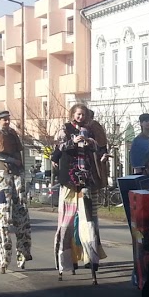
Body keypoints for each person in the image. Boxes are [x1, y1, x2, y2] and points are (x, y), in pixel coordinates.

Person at [51, 103, 109, 282]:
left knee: (89, 222)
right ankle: (64, 263)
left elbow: (100, 149)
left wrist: (95, 148)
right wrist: (72, 142)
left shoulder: (91, 131)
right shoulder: (65, 129)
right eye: (78, 114)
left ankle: (92, 259)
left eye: (83, 114)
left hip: (86, 181)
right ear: (72, 115)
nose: (80, 117)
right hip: (69, 181)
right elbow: (58, 149)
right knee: (65, 223)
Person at [0, 109, 32, 273]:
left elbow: (19, 152)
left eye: (8, 119)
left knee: (22, 212)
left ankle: (23, 253)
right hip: (4, 176)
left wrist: (19, 166)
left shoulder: (13, 134)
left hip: (17, 174)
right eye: (4, 120)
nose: (7, 122)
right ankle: (4, 258)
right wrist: (13, 160)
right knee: (3, 216)